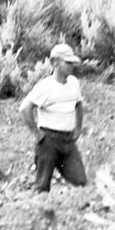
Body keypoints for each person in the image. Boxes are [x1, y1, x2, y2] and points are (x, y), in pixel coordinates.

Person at [20, 43, 87, 193]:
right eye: (67, 62)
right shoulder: (45, 86)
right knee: (42, 185)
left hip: (68, 141)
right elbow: (25, 108)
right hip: (49, 141)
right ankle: (40, 212)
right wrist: (37, 134)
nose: (71, 66)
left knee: (80, 182)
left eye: (72, 63)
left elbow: (78, 104)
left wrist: (78, 128)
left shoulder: (74, 83)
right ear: (55, 63)